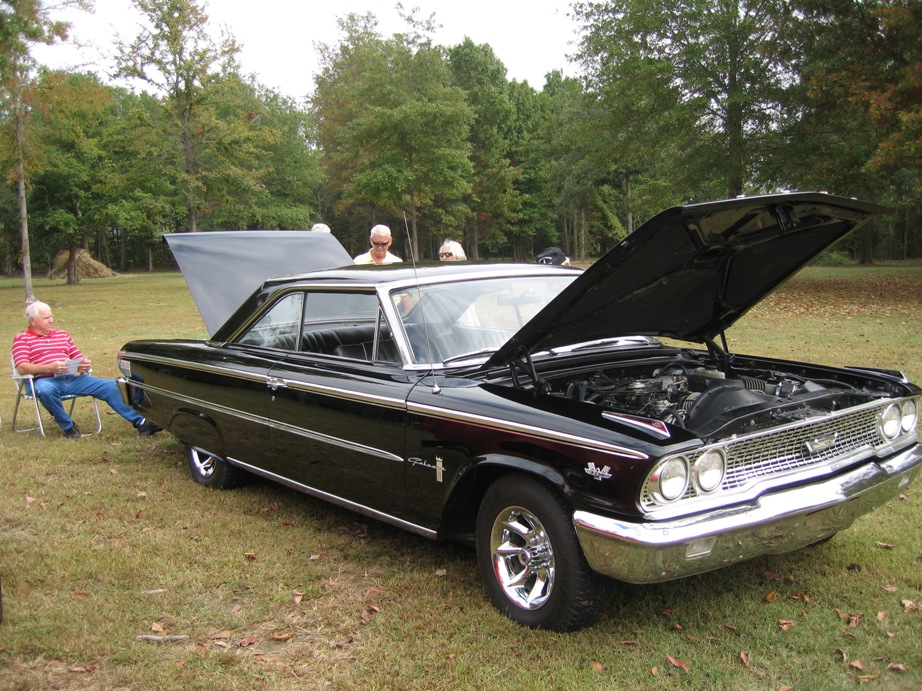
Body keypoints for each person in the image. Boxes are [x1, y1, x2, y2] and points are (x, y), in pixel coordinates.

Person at [12, 301, 162, 439]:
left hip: (72, 378)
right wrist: (48, 367)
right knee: (46, 390)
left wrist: (83, 364)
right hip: (45, 380)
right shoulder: (22, 339)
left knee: (110, 386)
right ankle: (68, 427)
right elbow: (22, 367)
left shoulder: (62, 335)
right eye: (46, 318)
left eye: (51, 316)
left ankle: (141, 423)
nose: (51, 320)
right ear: (33, 321)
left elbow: (77, 356)